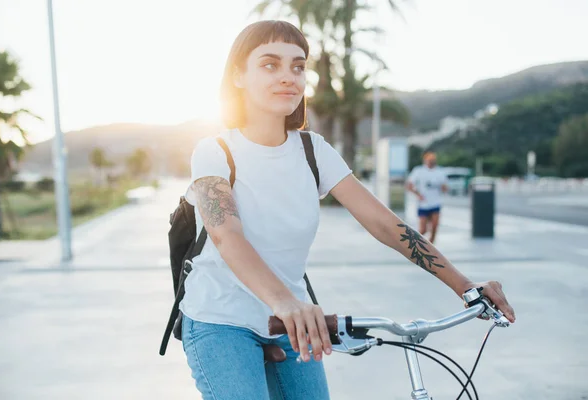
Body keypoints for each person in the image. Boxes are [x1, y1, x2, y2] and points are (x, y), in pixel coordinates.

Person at [180, 20, 516, 400]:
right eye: (271, 65)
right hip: (221, 320)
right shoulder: (214, 150)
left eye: (298, 65)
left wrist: (465, 286)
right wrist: (287, 303)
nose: (289, 76)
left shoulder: (313, 151)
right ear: (238, 75)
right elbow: (226, 234)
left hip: (293, 324)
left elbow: (385, 224)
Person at [406, 151, 448, 244]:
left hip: (435, 203)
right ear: (425, 161)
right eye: (429, 160)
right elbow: (409, 185)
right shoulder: (419, 171)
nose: (431, 162)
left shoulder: (440, 172)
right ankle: (414, 244)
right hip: (423, 204)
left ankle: (431, 247)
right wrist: (418, 194)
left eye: (433, 160)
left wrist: (443, 188)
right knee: (423, 229)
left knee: (434, 227)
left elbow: (445, 188)